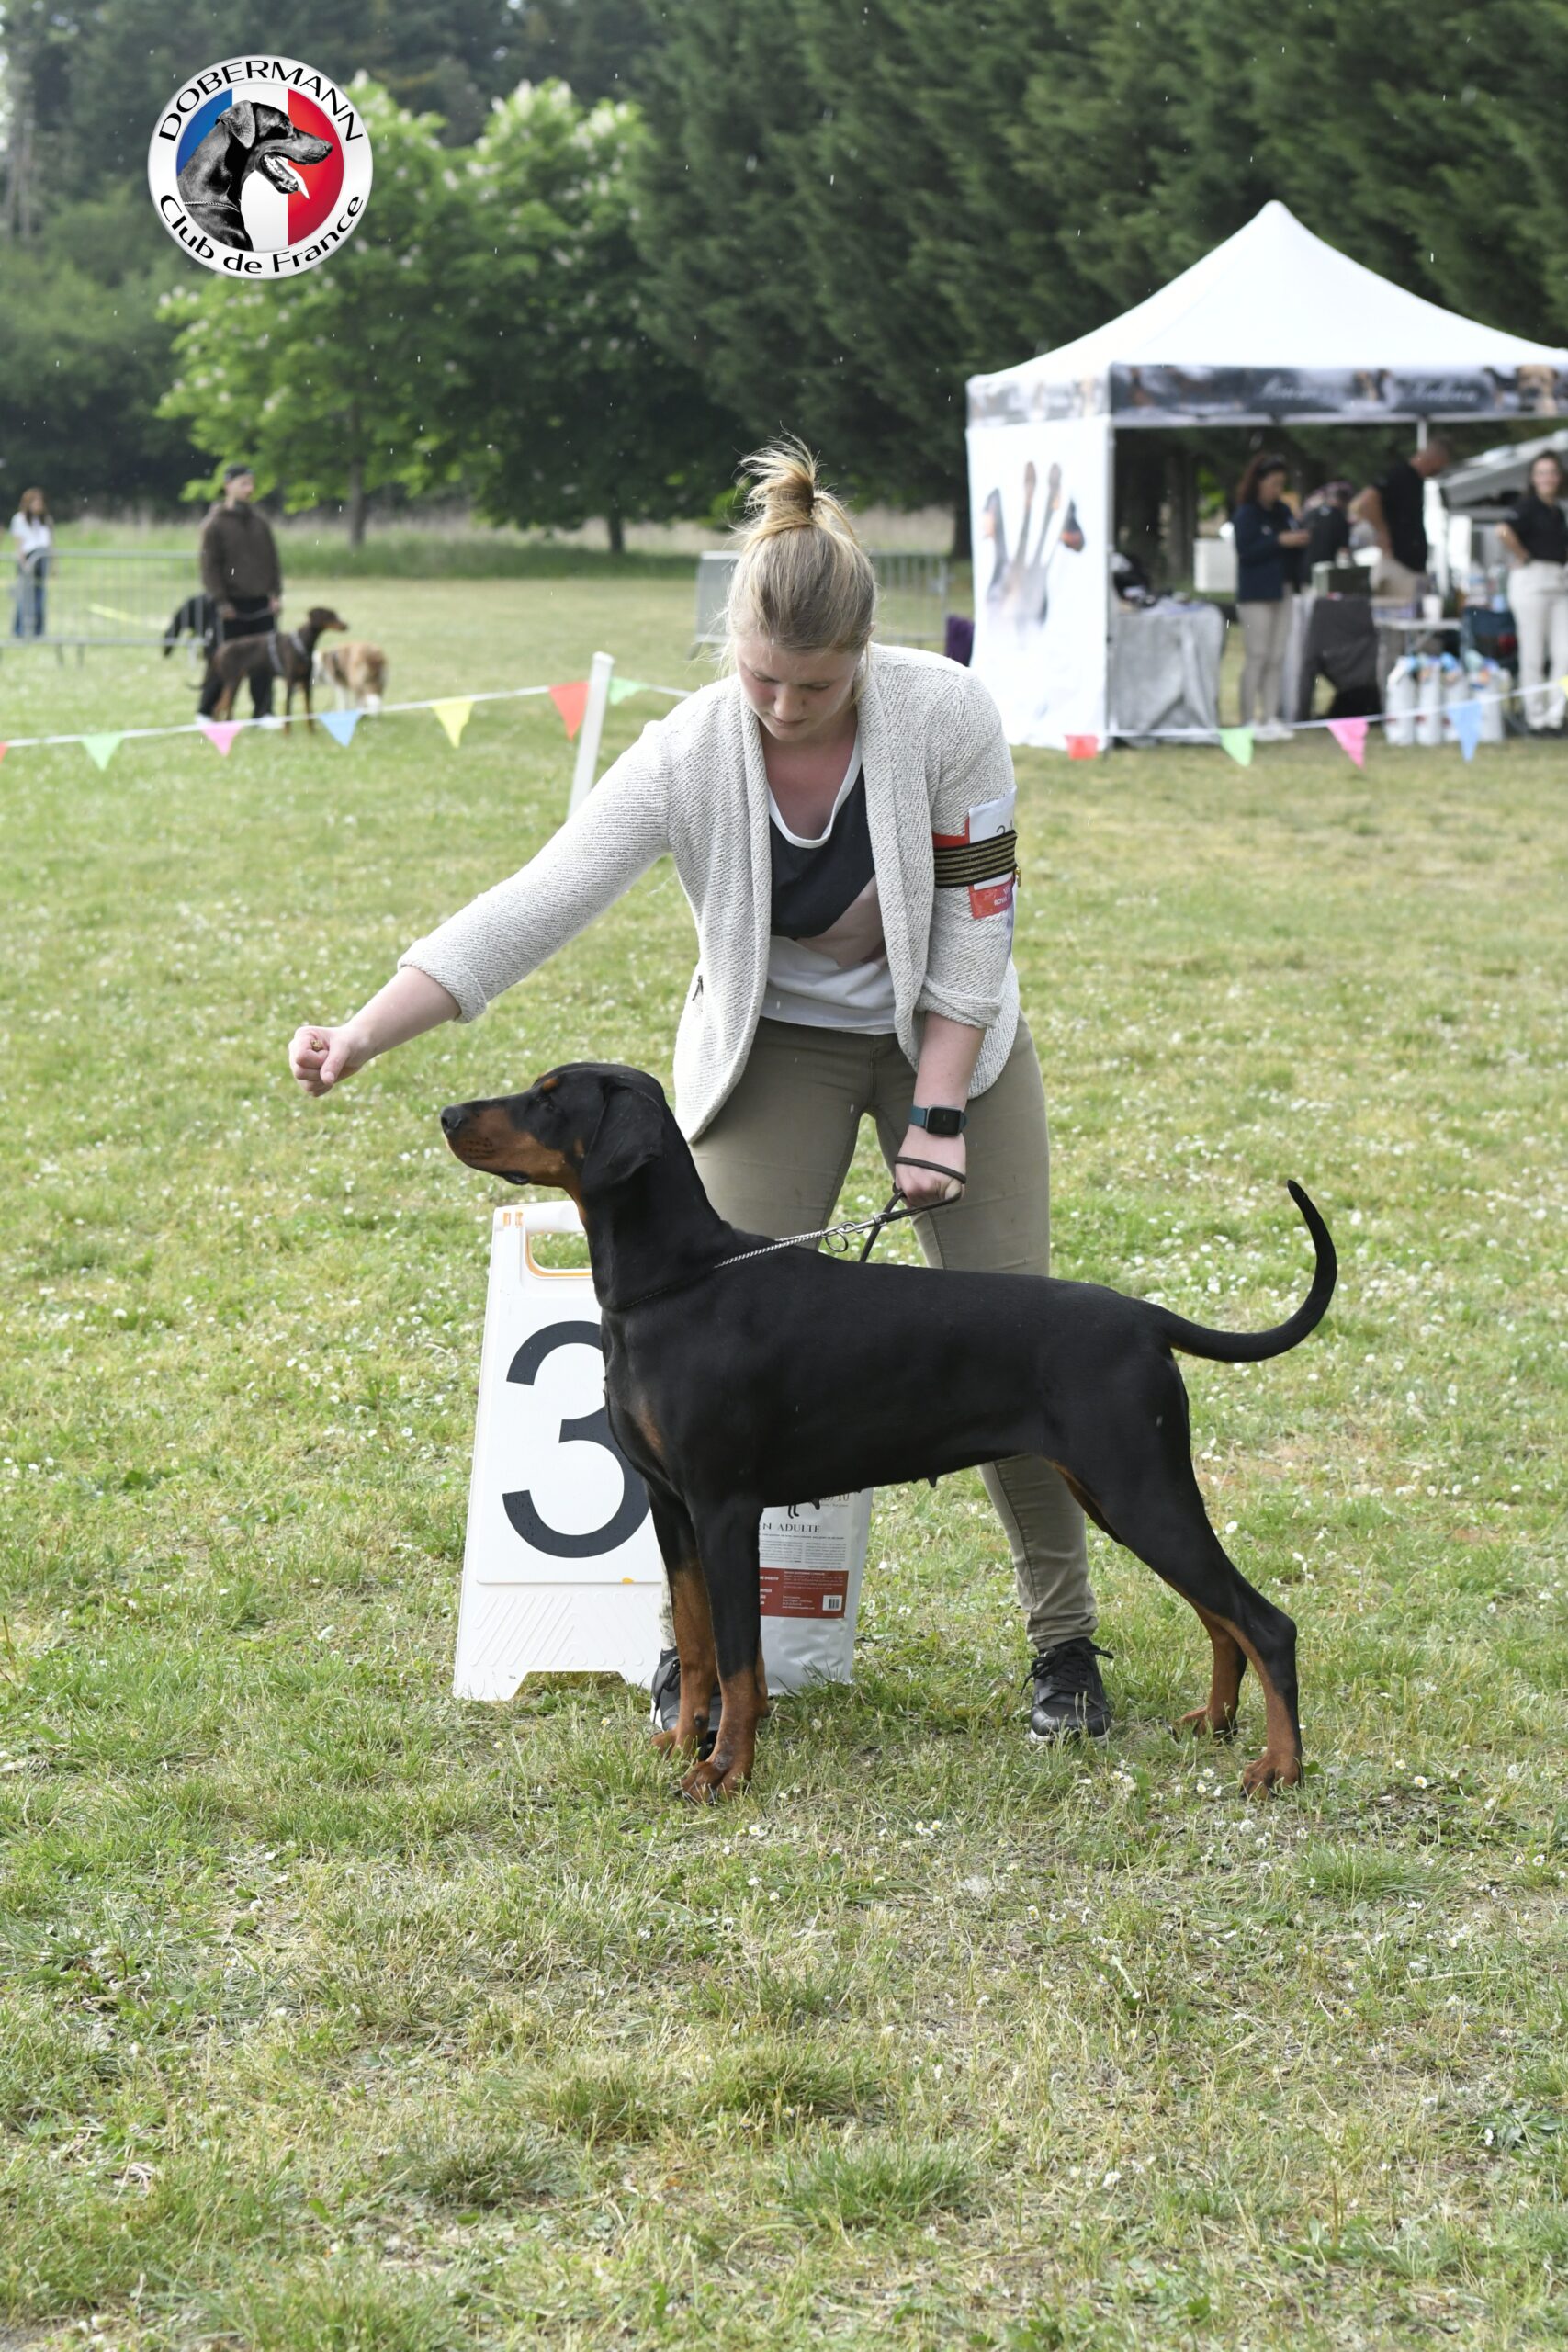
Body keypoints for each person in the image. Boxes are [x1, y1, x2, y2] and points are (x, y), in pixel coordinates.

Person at [288, 439, 1112, 1750]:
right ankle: (701, 1653)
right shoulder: (686, 750)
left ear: (864, 655)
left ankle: (1063, 1644)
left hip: (949, 1041)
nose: (783, 704)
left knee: (1019, 1340)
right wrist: (364, 1032)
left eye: (815, 684)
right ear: (731, 643)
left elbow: (977, 923)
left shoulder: (947, 713)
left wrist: (941, 1111)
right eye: (760, 675)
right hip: (770, 1048)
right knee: (696, 1363)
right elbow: (539, 901)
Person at [1232, 454, 1309, 738]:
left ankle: (1271, 716)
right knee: (1258, 655)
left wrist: (1298, 539)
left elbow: (1293, 541)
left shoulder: (1283, 512)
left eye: (1281, 484)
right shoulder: (1246, 514)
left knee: (1277, 655)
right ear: (1259, 482)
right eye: (1273, 483)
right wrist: (1278, 541)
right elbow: (1246, 551)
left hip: (1283, 589)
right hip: (1256, 594)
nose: (1277, 490)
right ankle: (1248, 718)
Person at [198, 463, 282, 719]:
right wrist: (221, 601)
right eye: (243, 484)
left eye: (251, 483)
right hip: (231, 604)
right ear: (228, 486)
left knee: (265, 660)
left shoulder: (260, 523)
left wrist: (275, 594)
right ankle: (206, 711)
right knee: (224, 660)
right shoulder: (214, 524)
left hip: (261, 603)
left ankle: (264, 712)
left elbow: (272, 560)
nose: (249, 489)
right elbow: (209, 566)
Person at [1498, 448, 1568, 733]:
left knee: (1564, 653)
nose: (1547, 478)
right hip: (1532, 580)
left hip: (1559, 582)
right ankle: (1535, 717)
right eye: (1541, 473)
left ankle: (1556, 714)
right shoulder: (1526, 506)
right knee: (1533, 653)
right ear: (1533, 478)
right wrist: (1523, 556)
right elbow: (1503, 530)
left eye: (1551, 472)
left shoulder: (1559, 511)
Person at [1350, 437, 1450, 602]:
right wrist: (1382, 532)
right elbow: (1367, 500)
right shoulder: (1401, 475)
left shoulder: (1415, 479)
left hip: (1408, 565)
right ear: (1436, 459)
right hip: (1399, 565)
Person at [9, 486, 51, 639]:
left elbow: (50, 543)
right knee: (24, 597)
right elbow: (19, 545)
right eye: (36, 502)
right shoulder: (19, 519)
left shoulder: (45, 520)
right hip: (28, 560)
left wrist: (53, 564)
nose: (39, 505)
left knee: (40, 597)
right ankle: (19, 630)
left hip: (42, 560)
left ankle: (38, 631)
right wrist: (24, 565)